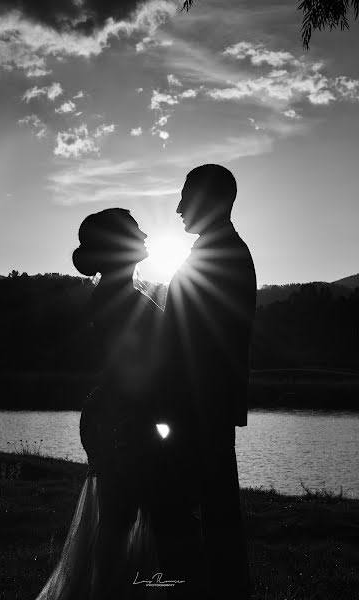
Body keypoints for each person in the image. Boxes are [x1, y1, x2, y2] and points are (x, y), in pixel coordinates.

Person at [35, 208, 162, 600]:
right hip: (121, 419)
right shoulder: (118, 298)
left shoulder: (125, 294)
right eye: (134, 231)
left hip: (122, 415)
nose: (144, 235)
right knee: (120, 518)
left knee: (123, 516)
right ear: (115, 246)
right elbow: (134, 368)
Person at [153, 164, 256, 599]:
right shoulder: (216, 251)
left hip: (198, 407)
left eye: (185, 196)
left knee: (189, 513)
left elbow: (199, 343)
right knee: (210, 513)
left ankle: (197, 589)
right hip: (200, 406)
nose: (177, 208)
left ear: (212, 199)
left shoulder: (223, 256)